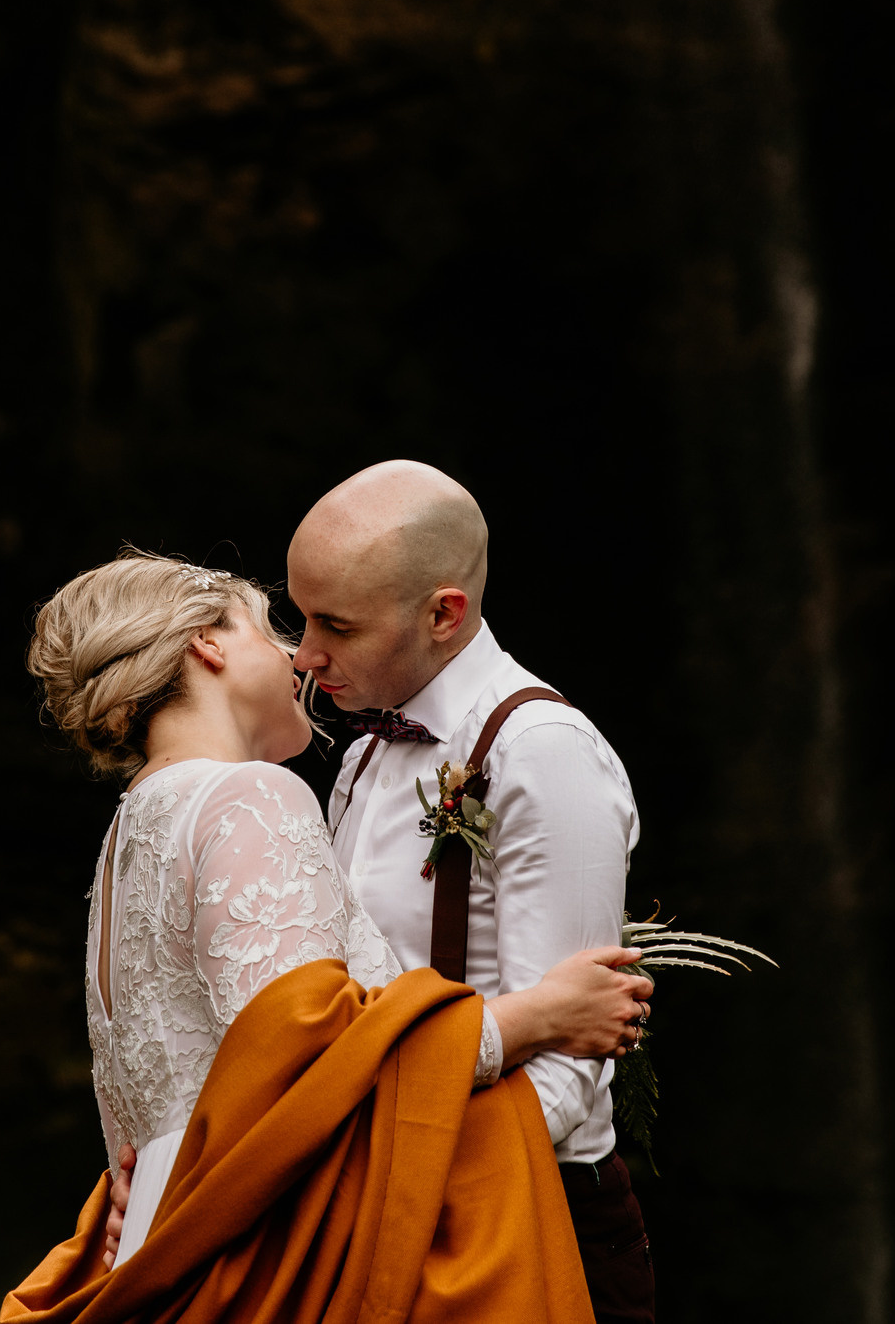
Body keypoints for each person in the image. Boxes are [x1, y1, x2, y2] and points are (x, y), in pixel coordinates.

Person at [3, 550, 652, 1324]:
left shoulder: (126, 836)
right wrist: (539, 1015)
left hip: (176, 1236)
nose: (298, 656)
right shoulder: (249, 794)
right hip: (276, 1255)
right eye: (272, 627)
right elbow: (312, 1064)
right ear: (207, 644)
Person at [287, 462, 655, 1324]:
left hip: (527, 1221)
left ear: (444, 613)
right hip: (389, 1208)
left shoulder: (543, 752)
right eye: (302, 617)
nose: (303, 655)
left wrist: (383, 1157)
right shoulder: (363, 753)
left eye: (334, 625)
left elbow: (572, 1064)